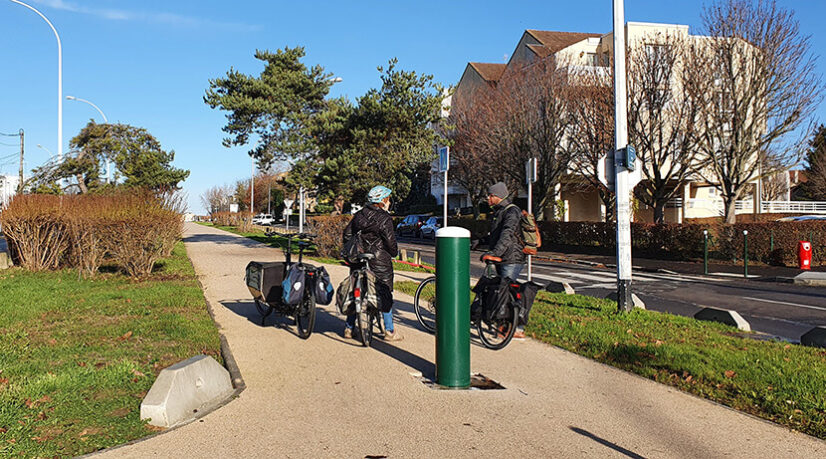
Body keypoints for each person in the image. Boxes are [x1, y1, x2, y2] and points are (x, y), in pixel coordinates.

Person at [341, 185, 402, 341]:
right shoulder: (384, 218)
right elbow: (390, 242)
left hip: (358, 259)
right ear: (382, 201)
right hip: (379, 261)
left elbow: (347, 235)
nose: (389, 202)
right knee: (385, 293)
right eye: (388, 199)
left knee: (356, 290)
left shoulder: (359, 216)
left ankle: (349, 328)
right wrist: (394, 253)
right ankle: (389, 331)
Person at [481, 181, 526, 339]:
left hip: (511, 259)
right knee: (504, 292)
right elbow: (495, 235)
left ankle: (516, 328)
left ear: (496, 196)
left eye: (490, 195)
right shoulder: (499, 212)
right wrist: (478, 242)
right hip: (503, 258)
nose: (487, 198)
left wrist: (495, 253)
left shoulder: (512, 211)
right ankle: (505, 326)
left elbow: (507, 233)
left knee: (506, 293)